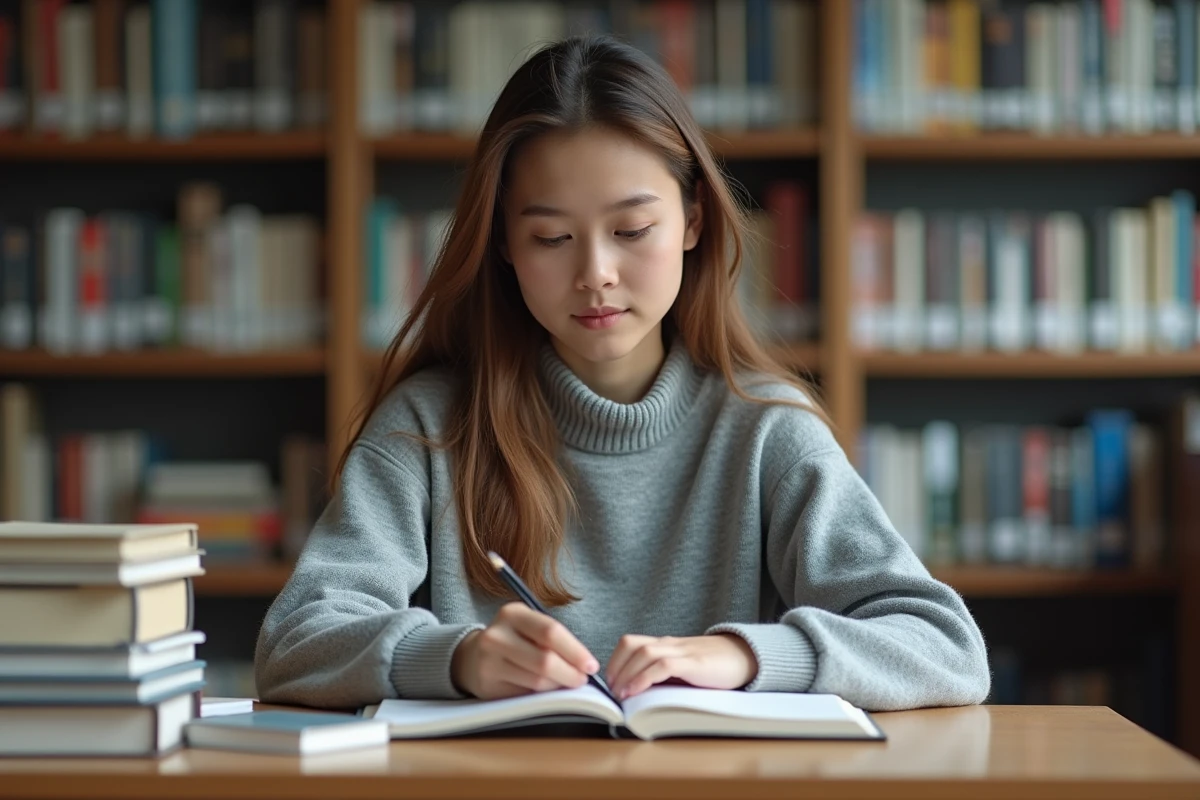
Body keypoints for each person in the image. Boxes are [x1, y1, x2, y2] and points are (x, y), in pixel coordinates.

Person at [255, 35, 990, 711]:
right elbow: (293, 641)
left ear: (694, 220)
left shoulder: (767, 429)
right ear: (504, 243)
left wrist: (742, 655)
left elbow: (946, 647)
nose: (595, 274)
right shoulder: (427, 428)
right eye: (551, 237)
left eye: (632, 231)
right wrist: (456, 658)